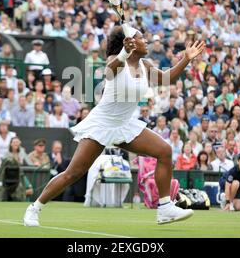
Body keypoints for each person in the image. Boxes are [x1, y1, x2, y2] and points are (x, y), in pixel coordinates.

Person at [24, 25, 205, 226]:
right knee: (73, 173)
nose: (145, 41)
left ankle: (164, 208)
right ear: (131, 43)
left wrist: (186, 58)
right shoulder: (115, 61)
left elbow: (166, 78)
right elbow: (109, 72)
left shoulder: (145, 65)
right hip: (102, 125)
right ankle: (34, 209)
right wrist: (124, 52)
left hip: (125, 125)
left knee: (165, 151)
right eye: (141, 38)